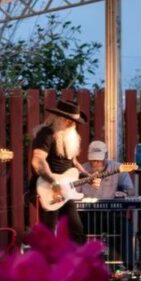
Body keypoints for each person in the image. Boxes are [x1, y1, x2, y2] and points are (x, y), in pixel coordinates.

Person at [29, 98, 90, 243]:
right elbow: (38, 160)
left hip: (65, 190)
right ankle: (46, 264)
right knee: (48, 234)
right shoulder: (46, 133)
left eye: (74, 121)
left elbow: (73, 162)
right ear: (59, 118)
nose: (72, 124)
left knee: (77, 232)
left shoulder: (70, 137)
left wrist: (88, 176)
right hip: (46, 187)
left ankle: (75, 264)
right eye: (68, 120)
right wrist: (53, 182)